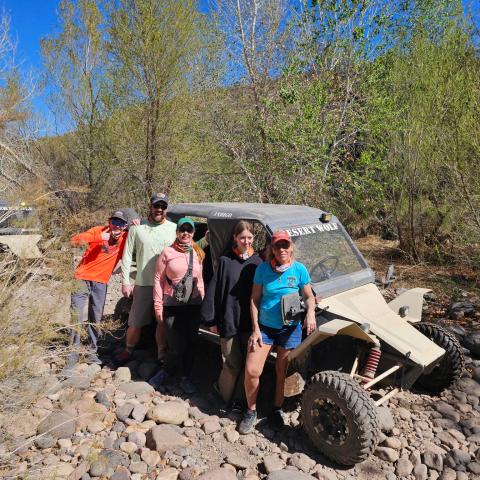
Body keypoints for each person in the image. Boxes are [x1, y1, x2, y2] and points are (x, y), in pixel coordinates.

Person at [239, 230, 317, 434]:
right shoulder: (263, 270)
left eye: (285, 245)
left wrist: (310, 313)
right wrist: (255, 329)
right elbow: (254, 300)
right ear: (272, 249)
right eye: (277, 246)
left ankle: (276, 409)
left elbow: (308, 296)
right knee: (252, 370)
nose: (282, 249)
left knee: (282, 371)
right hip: (265, 327)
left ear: (291, 247)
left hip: (290, 329)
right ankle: (251, 410)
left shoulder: (299, 269)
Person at [66, 209, 136, 372]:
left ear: (125, 226)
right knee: (76, 315)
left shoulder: (126, 238)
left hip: (101, 282)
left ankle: (92, 351)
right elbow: (74, 240)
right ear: (109, 222)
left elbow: (138, 238)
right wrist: (99, 238)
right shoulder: (98, 231)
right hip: (81, 278)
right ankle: (72, 355)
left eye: (120, 223)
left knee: (95, 317)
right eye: (114, 222)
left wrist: (137, 225)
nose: (116, 226)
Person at [201, 220, 262, 409]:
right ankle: (222, 395)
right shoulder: (226, 260)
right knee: (231, 363)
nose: (246, 241)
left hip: (250, 321)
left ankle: (239, 401)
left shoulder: (258, 262)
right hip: (228, 319)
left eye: (249, 237)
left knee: (247, 364)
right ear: (235, 238)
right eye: (242, 237)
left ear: (254, 238)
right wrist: (211, 318)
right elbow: (215, 289)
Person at [115, 193, 177, 365]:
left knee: (162, 320)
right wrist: (126, 281)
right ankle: (128, 350)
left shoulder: (174, 228)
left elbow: (185, 249)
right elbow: (127, 256)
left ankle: (161, 353)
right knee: (135, 321)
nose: (159, 209)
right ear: (150, 206)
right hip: (143, 282)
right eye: (156, 206)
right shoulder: (137, 228)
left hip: (166, 284)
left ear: (166, 209)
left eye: (163, 207)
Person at [151, 217, 205, 394]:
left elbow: (200, 279)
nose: (186, 233)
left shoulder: (197, 253)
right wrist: (158, 305)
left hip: (193, 304)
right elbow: (158, 278)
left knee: (191, 343)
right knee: (175, 343)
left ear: (193, 233)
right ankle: (165, 371)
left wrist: (202, 298)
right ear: (177, 232)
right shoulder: (167, 252)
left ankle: (184, 377)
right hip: (172, 304)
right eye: (182, 230)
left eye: (189, 230)